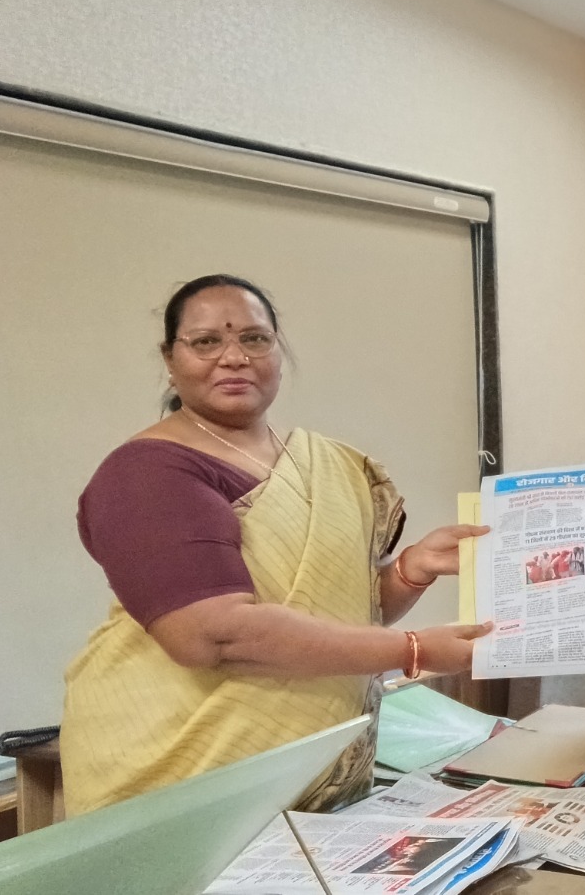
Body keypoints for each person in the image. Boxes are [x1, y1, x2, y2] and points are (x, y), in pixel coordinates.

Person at [62, 273, 492, 815]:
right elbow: (212, 636)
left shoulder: (323, 463)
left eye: (254, 338)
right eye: (206, 341)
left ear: (278, 352)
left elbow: (338, 615)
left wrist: (409, 571)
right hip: (182, 776)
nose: (234, 357)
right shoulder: (146, 473)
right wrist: (415, 651)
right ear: (170, 359)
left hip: (314, 777)